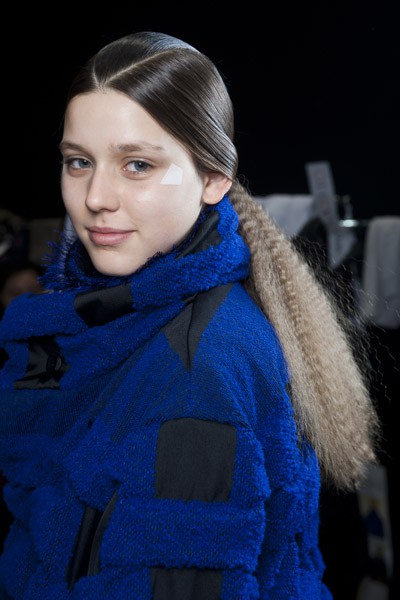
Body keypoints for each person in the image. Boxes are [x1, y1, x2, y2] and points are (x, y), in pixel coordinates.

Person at [0, 31, 380, 599]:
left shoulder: (197, 375)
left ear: (213, 178)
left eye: (136, 165)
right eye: (79, 162)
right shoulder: (135, 315)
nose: (95, 196)